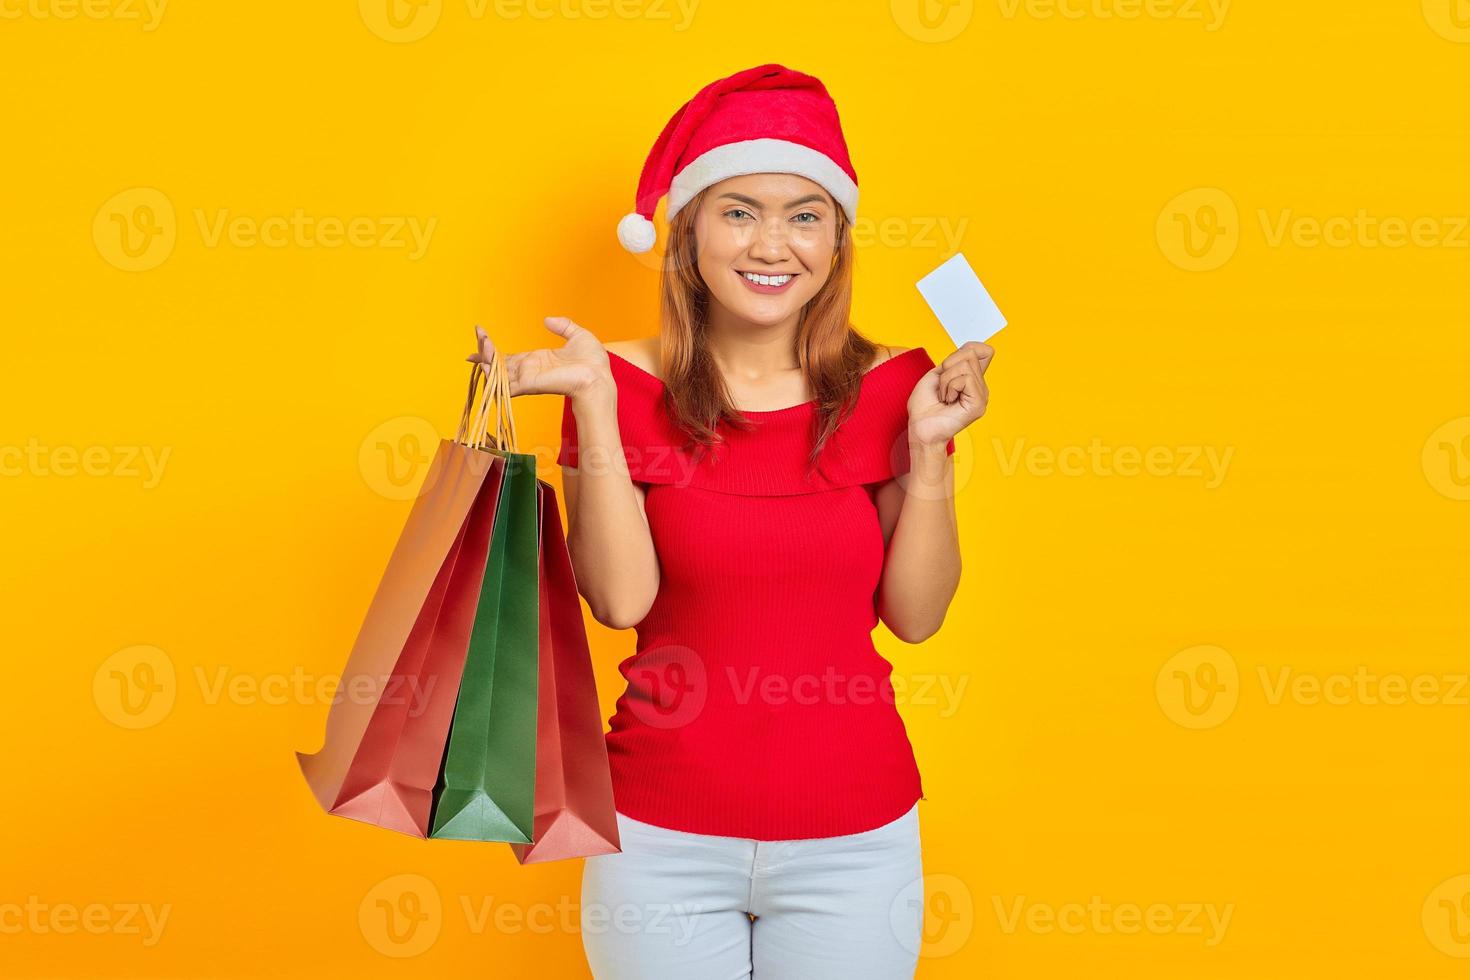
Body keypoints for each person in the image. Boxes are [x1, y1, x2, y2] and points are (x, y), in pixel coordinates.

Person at [469, 63, 993, 980]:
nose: (773, 243)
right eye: (739, 210)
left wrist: (928, 452)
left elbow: (916, 617)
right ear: (690, 234)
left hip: (856, 840)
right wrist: (593, 407)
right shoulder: (615, 383)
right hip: (658, 835)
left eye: (804, 215)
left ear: (837, 239)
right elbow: (621, 602)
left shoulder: (896, 390)